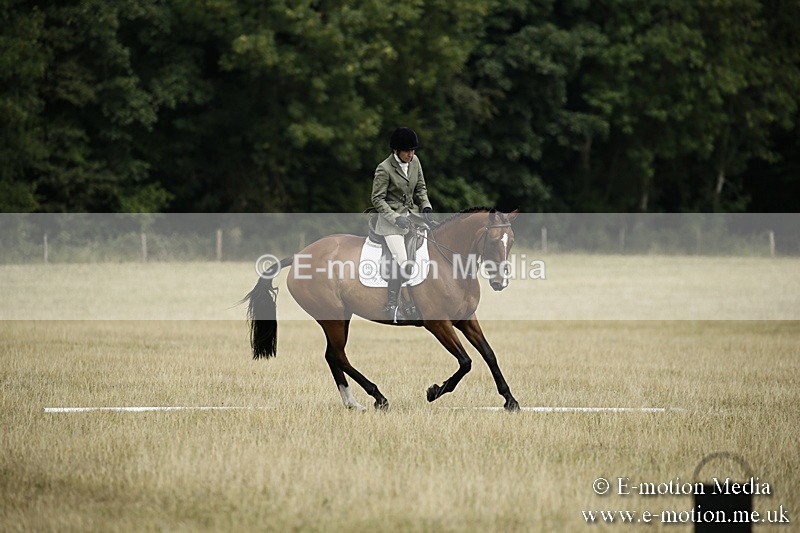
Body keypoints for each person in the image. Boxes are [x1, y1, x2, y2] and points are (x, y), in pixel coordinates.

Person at [371, 127, 433, 322]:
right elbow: (377, 199)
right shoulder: (384, 168)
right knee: (404, 261)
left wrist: (426, 206)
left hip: (413, 216)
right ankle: (393, 304)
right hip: (390, 223)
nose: (411, 154)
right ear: (396, 151)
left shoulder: (415, 162)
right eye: (407, 151)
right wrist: (395, 218)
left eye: (413, 151)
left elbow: (421, 188)